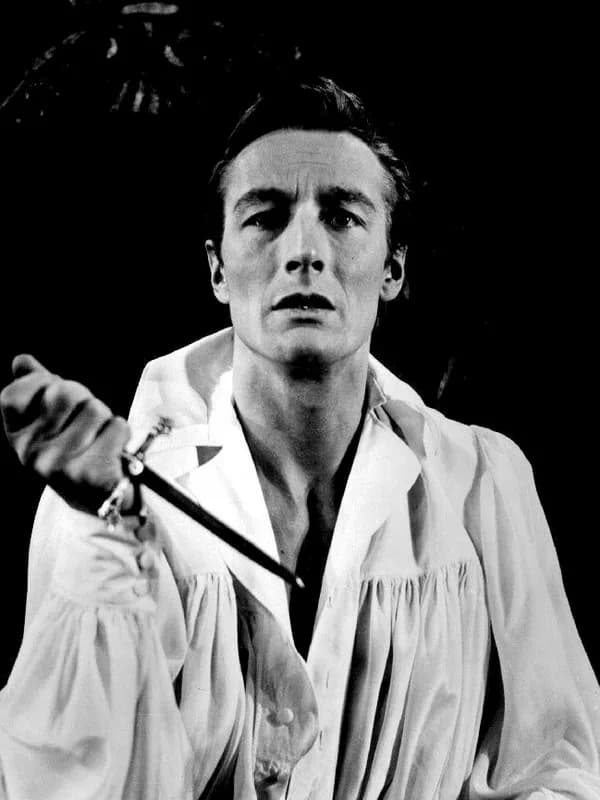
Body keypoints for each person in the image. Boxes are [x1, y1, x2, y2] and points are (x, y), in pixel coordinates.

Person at [0, 76, 598, 800]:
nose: (304, 251)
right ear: (218, 270)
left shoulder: (481, 483)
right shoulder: (116, 496)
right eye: (266, 217)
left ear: (393, 268)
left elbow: (557, 768)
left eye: (342, 216)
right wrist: (103, 527)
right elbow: (59, 779)